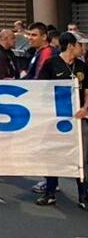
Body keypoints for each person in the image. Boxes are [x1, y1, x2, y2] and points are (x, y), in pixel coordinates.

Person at [35, 31, 87, 208]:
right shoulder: (51, 64)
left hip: (78, 118)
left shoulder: (81, 66)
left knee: (81, 155)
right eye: (81, 45)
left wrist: (85, 108)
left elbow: (87, 90)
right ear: (71, 46)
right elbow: (41, 89)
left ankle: (83, 195)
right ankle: (50, 192)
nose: (83, 48)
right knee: (53, 153)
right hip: (55, 118)